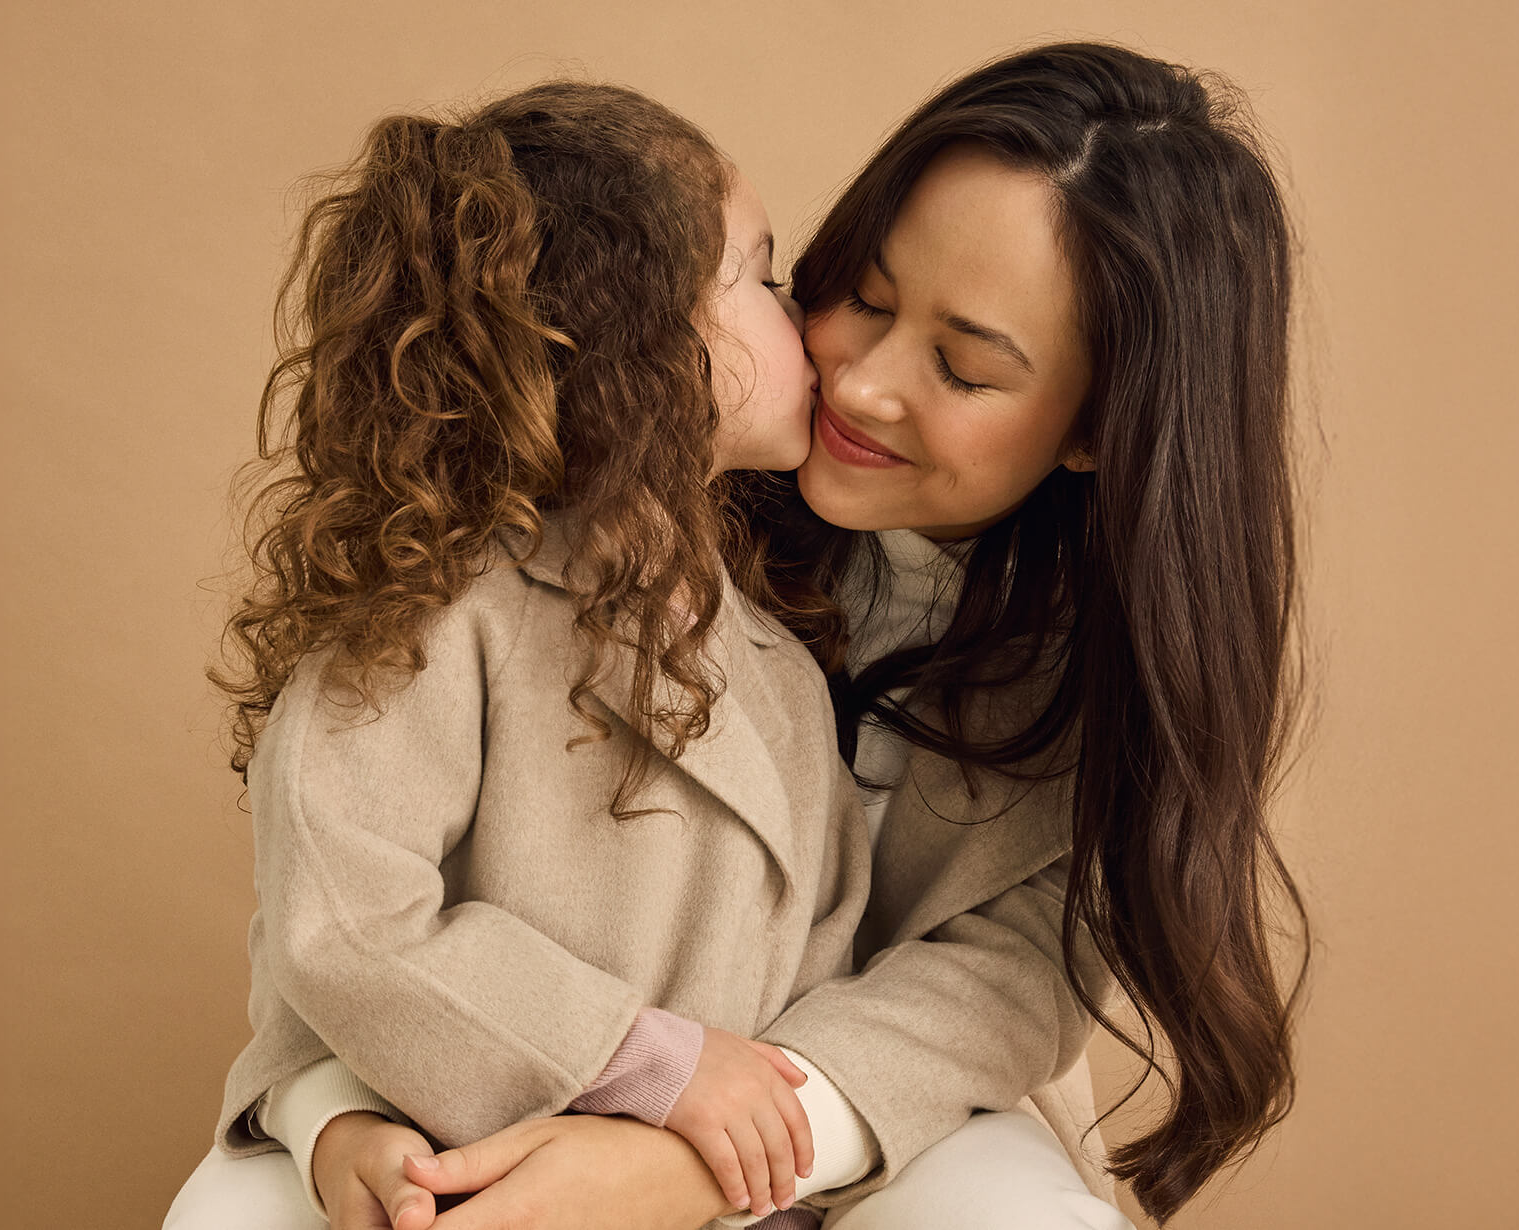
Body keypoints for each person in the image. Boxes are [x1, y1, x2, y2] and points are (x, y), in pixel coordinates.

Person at [302, 40, 1309, 1230]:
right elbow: (338, 867)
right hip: (492, 1080)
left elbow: (1007, 977)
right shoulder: (629, 486)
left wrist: (711, 1157)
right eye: (863, 299)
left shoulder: (1112, 654)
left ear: (1096, 429)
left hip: (877, 1116)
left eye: (965, 368)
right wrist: (328, 1116)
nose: (865, 383)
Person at [163, 81, 888, 1230]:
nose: (798, 313)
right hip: (477, 1182)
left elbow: (825, 952)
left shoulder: (775, 658)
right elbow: (340, 920)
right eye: (754, 273)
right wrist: (644, 1060)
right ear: (637, 337)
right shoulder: (436, 612)